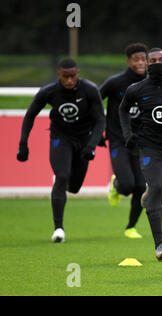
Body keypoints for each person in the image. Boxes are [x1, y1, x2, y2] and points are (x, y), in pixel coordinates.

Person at [17, 58, 106, 243]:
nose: (69, 81)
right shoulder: (48, 91)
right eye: (65, 77)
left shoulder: (90, 90)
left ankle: (61, 182)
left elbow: (100, 120)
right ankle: (58, 229)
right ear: (59, 75)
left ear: (78, 74)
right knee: (62, 176)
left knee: (74, 187)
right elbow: (30, 115)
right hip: (60, 138)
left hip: (84, 139)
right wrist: (23, 143)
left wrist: (91, 145)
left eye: (72, 76)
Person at [119, 47, 162, 261]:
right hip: (149, 146)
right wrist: (127, 133)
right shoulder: (137, 89)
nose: (158, 62)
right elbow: (122, 109)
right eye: (153, 60)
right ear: (147, 64)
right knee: (157, 188)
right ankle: (159, 244)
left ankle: (149, 197)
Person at [100, 43, 148, 239]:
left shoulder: (151, 83)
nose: (140, 63)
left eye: (143, 59)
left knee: (141, 187)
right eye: (136, 59)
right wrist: (96, 130)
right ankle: (117, 184)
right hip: (118, 139)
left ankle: (130, 227)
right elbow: (94, 101)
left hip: (141, 141)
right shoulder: (115, 83)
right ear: (128, 61)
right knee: (128, 185)